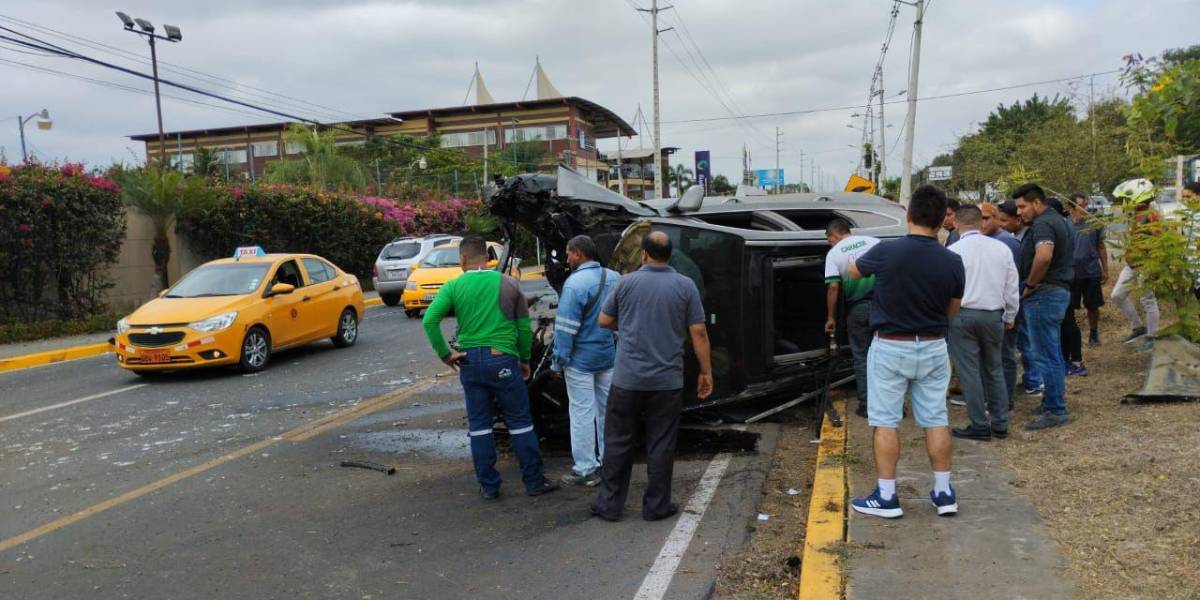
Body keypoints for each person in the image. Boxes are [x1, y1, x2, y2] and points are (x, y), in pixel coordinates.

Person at [847, 185, 965, 519]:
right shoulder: (953, 260)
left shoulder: (886, 252)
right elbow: (952, 308)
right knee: (936, 419)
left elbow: (855, 270)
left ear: (908, 215)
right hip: (932, 346)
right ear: (943, 220)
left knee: (886, 422)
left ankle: (887, 497)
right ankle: (943, 494)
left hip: (890, 345)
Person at [422, 236, 559, 499]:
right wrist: (524, 360)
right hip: (503, 360)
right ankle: (533, 482)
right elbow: (522, 327)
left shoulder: (453, 285)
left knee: (480, 426)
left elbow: (429, 321)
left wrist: (445, 355)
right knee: (519, 422)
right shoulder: (509, 283)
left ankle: (489, 486)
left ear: (462, 259)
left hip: (470, 363)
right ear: (488, 257)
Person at [590, 231, 713, 522]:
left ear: (644, 254)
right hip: (666, 382)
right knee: (661, 443)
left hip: (627, 379)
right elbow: (698, 331)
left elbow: (604, 320)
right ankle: (656, 506)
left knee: (618, 441)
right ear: (669, 255)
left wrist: (632, 323)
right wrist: (706, 372)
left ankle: (609, 505)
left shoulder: (626, 282)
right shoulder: (686, 286)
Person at [551, 235, 619, 487]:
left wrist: (559, 361)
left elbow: (566, 328)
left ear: (578, 254)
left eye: (568, 254)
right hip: (607, 356)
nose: (567, 259)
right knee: (607, 411)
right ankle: (610, 462)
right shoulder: (615, 277)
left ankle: (586, 469)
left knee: (581, 412)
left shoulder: (574, 284)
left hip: (580, 360)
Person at [947, 205, 1019, 441]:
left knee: (969, 372)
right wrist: (1010, 316)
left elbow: (946, 289)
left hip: (962, 315)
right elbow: (1011, 287)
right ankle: (1000, 422)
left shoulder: (953, 250)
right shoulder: (1002, 249)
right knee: (994, 368)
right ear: (981, 222)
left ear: (957, 224)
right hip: (993, 315)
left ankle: (979, 424)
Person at [1013, 184, 1074, 431]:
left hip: (1044, 293)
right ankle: (1052, 400)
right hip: (1056, 292)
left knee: (1045, 355)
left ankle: (1055, 410)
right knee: (1052, 352)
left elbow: (1044, 256)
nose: (1019, 212)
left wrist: (1030, 284)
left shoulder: (1043, 224)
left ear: (1036, 202)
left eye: (1022, 206)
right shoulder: (1057, 220)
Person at [823, 218, 881, 418]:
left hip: (858, 310)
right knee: (885, 356)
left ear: (834, 235)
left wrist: (831, 317)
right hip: (884, 307)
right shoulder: (874, 242)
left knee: (862, 356)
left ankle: (866, 405)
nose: (830, 244)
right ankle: (892, 404)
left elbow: (833, 287)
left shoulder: (834, 254)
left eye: (829, 240)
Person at [1110, 178, 1161, 353]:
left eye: (1129, 199)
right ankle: (1138, 327)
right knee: (1117, 295)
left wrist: (1153, 264)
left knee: (1147, 299)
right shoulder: (1137, 215)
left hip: (1146, 264)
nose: (1127, 202)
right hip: (1132, 264)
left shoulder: (1152, 215)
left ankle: (1152, 336)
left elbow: (1158, 240)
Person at [981, 202, 1023, 410]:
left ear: (997, 218)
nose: (982, 223)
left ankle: (1005, 400)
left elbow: (1013, 283)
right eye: (979, 218)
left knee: (1005, 355)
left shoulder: (1008, 243)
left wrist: (1010, 313)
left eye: (986, 218)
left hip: (1006, 309)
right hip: (989, 309)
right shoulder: (983, 241)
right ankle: (993, 398)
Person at [1000, 199, 1042, 398]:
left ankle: (1034, 380)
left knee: (1025, 341)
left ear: (1017, 219)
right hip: (1020, 295)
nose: (1002, 224)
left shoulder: (1015, 242)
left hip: (1020, 296)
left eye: (1004, 220)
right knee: (1024, 341)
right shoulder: (1017, 238)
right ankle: (1032, 379)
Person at [1066, 193, 1109, 360]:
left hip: (1091, 271)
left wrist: (1105, 269)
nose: (1086, 208)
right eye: (1081, 205)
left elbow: (1101, 247)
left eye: (1086, 205)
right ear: (1072, 207)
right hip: (1071, 273)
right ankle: (1071, 335)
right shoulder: (1065, 224)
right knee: (1070, 307)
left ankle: (1093, 333)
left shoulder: (1094, 224)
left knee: (1093, 305)